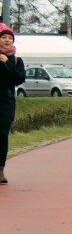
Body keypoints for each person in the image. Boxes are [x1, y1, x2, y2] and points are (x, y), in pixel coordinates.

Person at [0, 23, 25, 185]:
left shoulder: (16, 60)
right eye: (4, 37)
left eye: (10, 38)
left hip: (6, 103)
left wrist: (6, 63)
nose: (8, 40)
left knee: (2, 135)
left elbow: (19, 79)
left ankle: (0, 169)